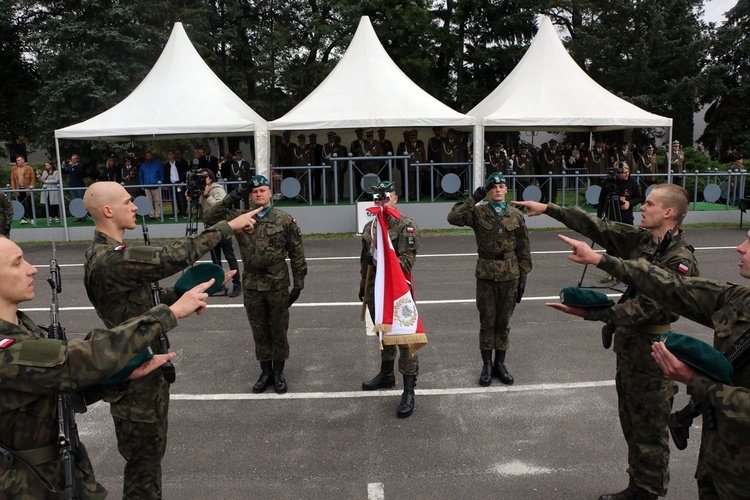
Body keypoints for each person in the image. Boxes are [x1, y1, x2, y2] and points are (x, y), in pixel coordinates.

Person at [514, 183, 699, 500]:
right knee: (631, 422)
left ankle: (649, 491)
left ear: (668, 212)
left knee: (650, 428)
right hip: (629, 348)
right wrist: (549, 209)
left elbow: (650, 308)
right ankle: (637, 484)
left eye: (650, 204)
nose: (642, 207)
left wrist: (592, 313)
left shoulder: (678, 259)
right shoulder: (645, 240)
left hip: (653, 352)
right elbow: (598, 226)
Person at [82, 181, 260, 499]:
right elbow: (169, 258)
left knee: (148, 465)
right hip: (133, 377)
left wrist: (183, 292)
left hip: (143, 369)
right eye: (127, 202)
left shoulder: (106, 255)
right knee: (143, 471)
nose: (135, 206)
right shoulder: (111, 258)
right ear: (108, 211)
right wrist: (226, 227)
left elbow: (137, 306)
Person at [0, 235, 211, 499]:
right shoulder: (5, 348)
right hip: (24, 485)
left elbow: (49, 390)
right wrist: (169, 313)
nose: (32, 268)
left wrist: (118, 377)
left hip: (51, 474)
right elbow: (78, 360)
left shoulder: (23, 328)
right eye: (17, 263)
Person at [556, 231, 750, 500]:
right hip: (720, 465)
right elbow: (671, 287)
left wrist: (696, 381)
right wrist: (601, 262)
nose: (740, 247)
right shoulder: (741, 300)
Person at [204, 175, 307, 395]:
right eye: (254, 191)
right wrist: (233, 197)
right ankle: (265, 372)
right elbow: (210, 218)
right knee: (259, 329)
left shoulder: (284, 220)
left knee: (278, 329)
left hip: (277, 283)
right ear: (250, 195)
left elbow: (297, 253)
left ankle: (278, 373)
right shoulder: (239, 217)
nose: (258, 194)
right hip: (252, 283)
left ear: (270, 193)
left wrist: (299, 284)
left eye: (262, 190)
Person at [447, 173, 532, 387]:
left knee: (503, 322)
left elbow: (524, 249)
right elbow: (453, 218)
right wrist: (474, 198)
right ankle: (486, 365)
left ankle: (500, 364)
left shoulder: (516, 215)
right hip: (486, 275)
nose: (497, 190)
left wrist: (523, 277)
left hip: (510, 275)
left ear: (506, 190)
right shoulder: (478, 213)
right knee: (487, 322)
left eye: (501, 186)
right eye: (493, 187)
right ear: (488, 190)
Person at [359, 183, 420, 418]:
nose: (382, 201)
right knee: (383, 335)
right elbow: (364, 263)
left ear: (395, 197)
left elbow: (406, 262)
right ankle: (386, 375)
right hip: (375, 289)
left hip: (399, 293)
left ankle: (408, 390)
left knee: (405, 339)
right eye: (378, 198)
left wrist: (378, 259)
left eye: (387, 197)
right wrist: (362, 286)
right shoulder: (371, 226)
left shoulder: (406, 226)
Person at [187, 169, 242, 298]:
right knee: (215, 258)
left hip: (222, 227)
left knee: (229, 256)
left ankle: (237, 284)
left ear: (210, 179)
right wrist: (192, 198)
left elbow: (221, 206)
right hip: (210, 228)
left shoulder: (217, 190)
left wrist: (207, 196)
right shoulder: (201, 191)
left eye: (204, 177)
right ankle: (219, 284)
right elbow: (201, 209)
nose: (201, 180)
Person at [138, 151, 164, 219]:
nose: (148, 157)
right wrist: (142, 185)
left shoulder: (157, 164)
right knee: (148, 201)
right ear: (146, 157)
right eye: (147, 156)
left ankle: (158, 214)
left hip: (156, 185)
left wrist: (161, 183)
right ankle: (151, 215)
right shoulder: (143, 165)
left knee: (157, 201)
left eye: (149, 156)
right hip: (146, 186)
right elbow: (141, 176)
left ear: (152, 156)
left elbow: (161, 174)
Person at [11, 156, 35, 225]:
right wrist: (14, 189)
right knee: (21, 203)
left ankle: (32, 218)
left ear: (23, 160)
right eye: (17, 160)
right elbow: (12, 179)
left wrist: (31, 187)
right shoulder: (14, 169)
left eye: (19, 160)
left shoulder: (29, 168)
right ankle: (23, 218)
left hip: (27, 188)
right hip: (19, 188)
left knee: (30, 203)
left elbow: (32, 179)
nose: (17, 162)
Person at [164, 149, 188, 218]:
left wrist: (181, 182)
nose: (170, 155)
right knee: (173, 199)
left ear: (174, 155)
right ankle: (174, 213)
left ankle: (183, 213)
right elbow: (166, 175)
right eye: (169, 154)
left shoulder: (178, 164)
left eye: (172, 154)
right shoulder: (166, 165)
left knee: (181, 199)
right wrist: (167, 183)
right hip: (171, 184)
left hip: (179, 184)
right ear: (167, 156)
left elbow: (183, 173)